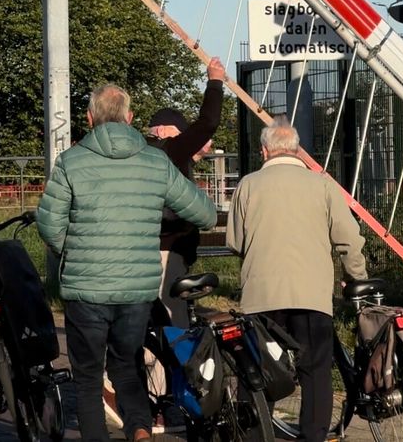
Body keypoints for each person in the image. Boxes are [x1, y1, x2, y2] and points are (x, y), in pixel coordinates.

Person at [37, 83, 217, 442]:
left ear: (89, 119)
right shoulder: (156, 162)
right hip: (137, 289)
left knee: (88, 380)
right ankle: (140, 432)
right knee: (127, 366)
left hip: (85, 289)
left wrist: (73, 251)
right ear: (130, 118)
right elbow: (205, 214)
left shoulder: (71, 162)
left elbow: (49, 225)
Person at [226, 117, 368, 442]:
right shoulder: (323, 185)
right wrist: (355, 277)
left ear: (264, 151)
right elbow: (349, 239)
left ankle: (256, 433)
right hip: (312, 296)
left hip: (261, 296)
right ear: (296, 150)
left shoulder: (248, 185)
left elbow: (235, 242)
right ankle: (313, 436)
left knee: (260, 370)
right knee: (316, 371)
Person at [146, 56, 226, 327]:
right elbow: (207, 122)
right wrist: (215, 82)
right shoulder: (170, 149)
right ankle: (171, 368)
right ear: (167, 132)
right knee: (170, 316)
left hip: (142, 247)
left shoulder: (144, 153)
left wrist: (193, 158)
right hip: (167, 248)